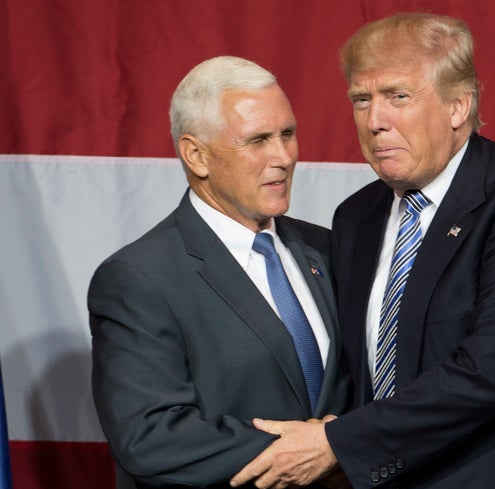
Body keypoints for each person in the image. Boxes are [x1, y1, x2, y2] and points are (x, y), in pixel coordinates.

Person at [231, 13, 495, 489]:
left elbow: (491, 370)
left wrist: (337, 444)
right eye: (361, 99)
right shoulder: (357, 217)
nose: (375, 121)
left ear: (458, 106)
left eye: (398, 96)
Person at [88, 55, 350, 489]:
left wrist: (348, 446)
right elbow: (149, 437)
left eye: (287, 134)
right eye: (258, 140)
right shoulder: (138, 278)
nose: (283, 157)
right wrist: (320, 450)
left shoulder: (326, 248)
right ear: (196, 155)